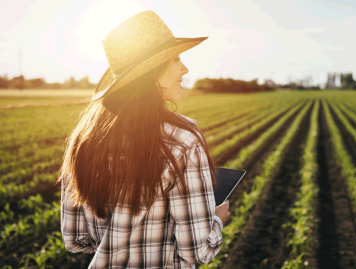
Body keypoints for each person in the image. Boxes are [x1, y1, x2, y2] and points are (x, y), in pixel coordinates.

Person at [58, 10, 230, 268]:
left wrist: (120, 240)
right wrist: (216, 220)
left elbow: (76, 239)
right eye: (175, 59)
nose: (185, 68)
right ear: (152, 71)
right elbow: (197, 251)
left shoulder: (83, 141)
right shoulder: (182, 142)